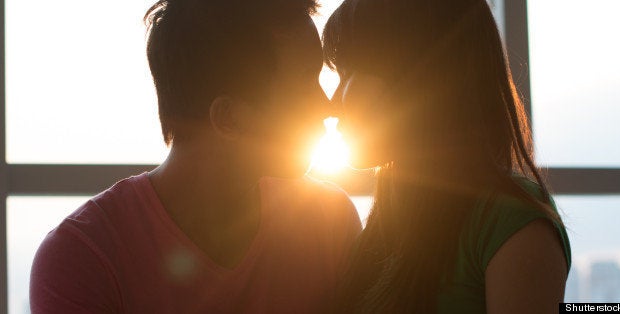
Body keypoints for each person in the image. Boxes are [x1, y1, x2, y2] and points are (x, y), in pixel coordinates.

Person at [29, 0, 361, 313]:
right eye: (305, 83)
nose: (327, 105)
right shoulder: (83, 257)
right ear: (229, 118)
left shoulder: (329, 223)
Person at [322, 0, 571, 313]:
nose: (331, 103)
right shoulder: (384, 226)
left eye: (348, 73)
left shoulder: (511, 221)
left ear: (416, 74)